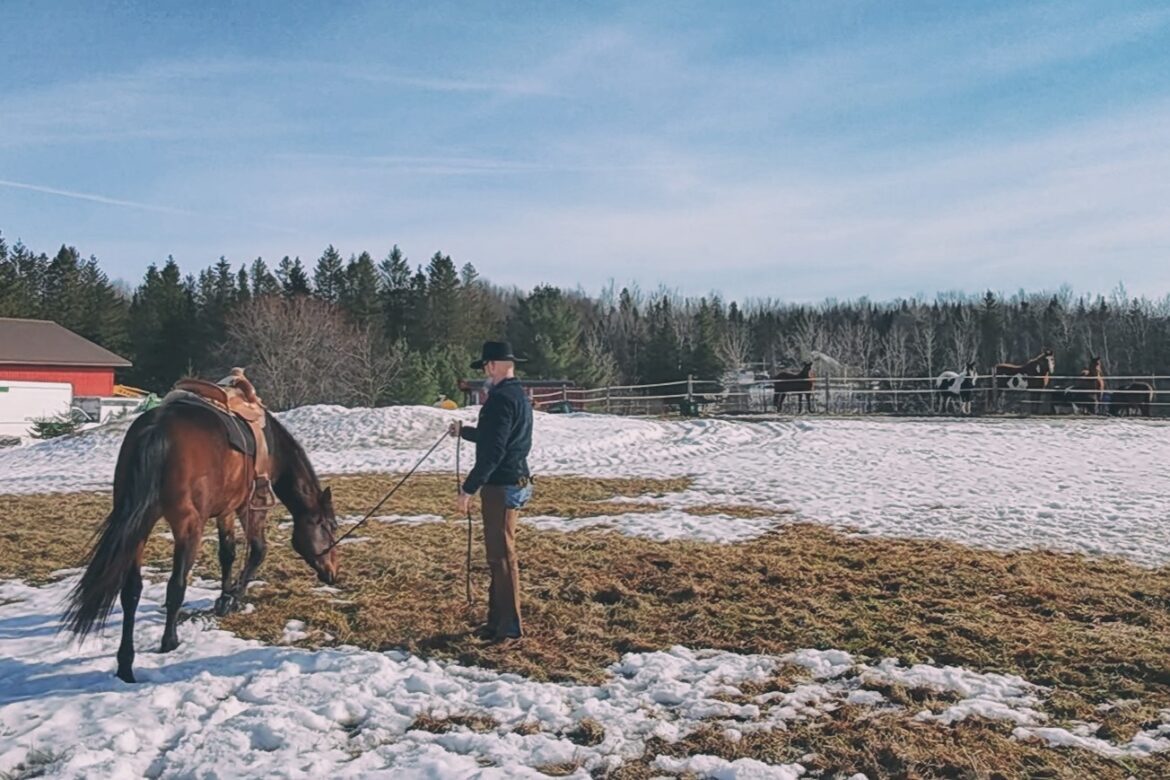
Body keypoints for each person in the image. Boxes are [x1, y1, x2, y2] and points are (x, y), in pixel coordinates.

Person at [448, 341, 534, 642]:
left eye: (485, 365)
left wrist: (469, 488)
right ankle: (497, 621)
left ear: (494, 365)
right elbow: (497, 438)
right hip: (513, 480)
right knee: (499, 556)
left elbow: (494, 451)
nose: (484, 371)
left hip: (502, 485)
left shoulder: (500, 400)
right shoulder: (516, 396)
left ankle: (509, 628)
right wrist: (466, 432)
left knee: (502, 556)